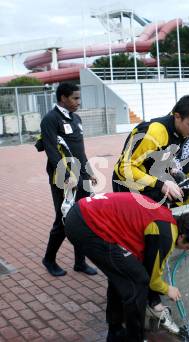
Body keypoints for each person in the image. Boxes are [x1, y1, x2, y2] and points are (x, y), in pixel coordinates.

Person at [65, 192, 189, 341]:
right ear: (182, 237)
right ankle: (135, 338)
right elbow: (152, 280)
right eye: (187, 247)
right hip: (86, 225)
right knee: (138, 281)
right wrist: (168, 290)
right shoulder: (166, 235)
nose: (185, 250)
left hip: (81, 214)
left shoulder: (166, 217)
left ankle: (115, 332)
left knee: (122, 275)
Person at [38, 82, 97, 277]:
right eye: (75, 98)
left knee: (84, 217)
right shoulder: (50, 119)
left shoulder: (76, 118)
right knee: (64, 220)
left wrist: (89, 171)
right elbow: (51, 150)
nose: (78, 102)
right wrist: (65, 175)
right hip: (63, 178)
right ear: (63, 98)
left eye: (79, 98)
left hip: (81, 175)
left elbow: (80, 149)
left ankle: (80, 262)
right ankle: (49, 259)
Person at [112, 94, 189, 203]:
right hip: (127, 186)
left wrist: (171, 168)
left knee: (185, 190)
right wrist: (161, 184)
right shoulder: (154, 133)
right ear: (177, 116)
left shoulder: (181, 130)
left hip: (148, 181)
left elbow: (156, 156)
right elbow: (124, 168)